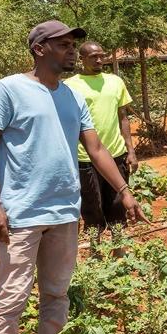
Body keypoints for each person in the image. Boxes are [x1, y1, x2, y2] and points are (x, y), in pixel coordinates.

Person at [0, 20, 143, 334]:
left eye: (72, 45)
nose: (71, 51)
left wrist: (124, 190)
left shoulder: (71, 96)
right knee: (11, 300)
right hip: (21, 215)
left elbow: (96, 148)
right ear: (39, 49)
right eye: (63, 45)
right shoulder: (8, 90)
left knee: (56, 294)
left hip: (65, 212)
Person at [64, 41, 138, 242]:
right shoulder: (69, 86)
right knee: (91, 207)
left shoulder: (115, 82)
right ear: (81, 59)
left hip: (116, 154)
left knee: (117, 205)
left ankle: (119, 248)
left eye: (101, 56)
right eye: (93, 57)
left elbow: (123, 117)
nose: (99, 60)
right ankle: (95, 249)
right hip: (85, 158)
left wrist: (130, 150)